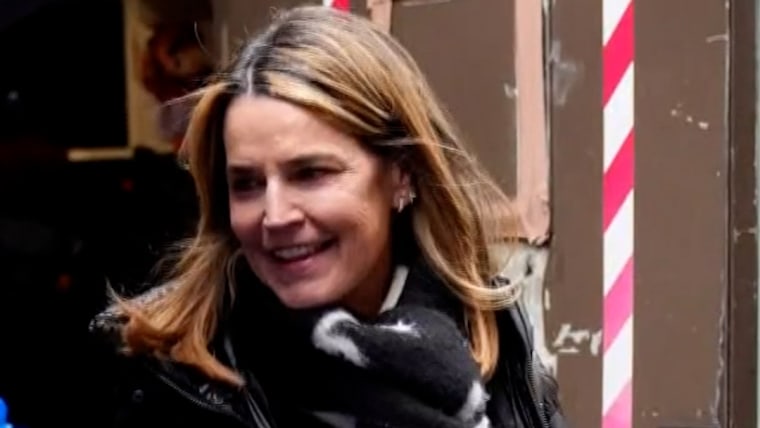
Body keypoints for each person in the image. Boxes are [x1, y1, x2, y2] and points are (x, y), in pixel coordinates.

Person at [90, 5, 566, 428]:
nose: (275, 215)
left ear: (402, 174)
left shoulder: (495, 339)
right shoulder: (172, 375)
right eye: (247, 183)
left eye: (311, 173)